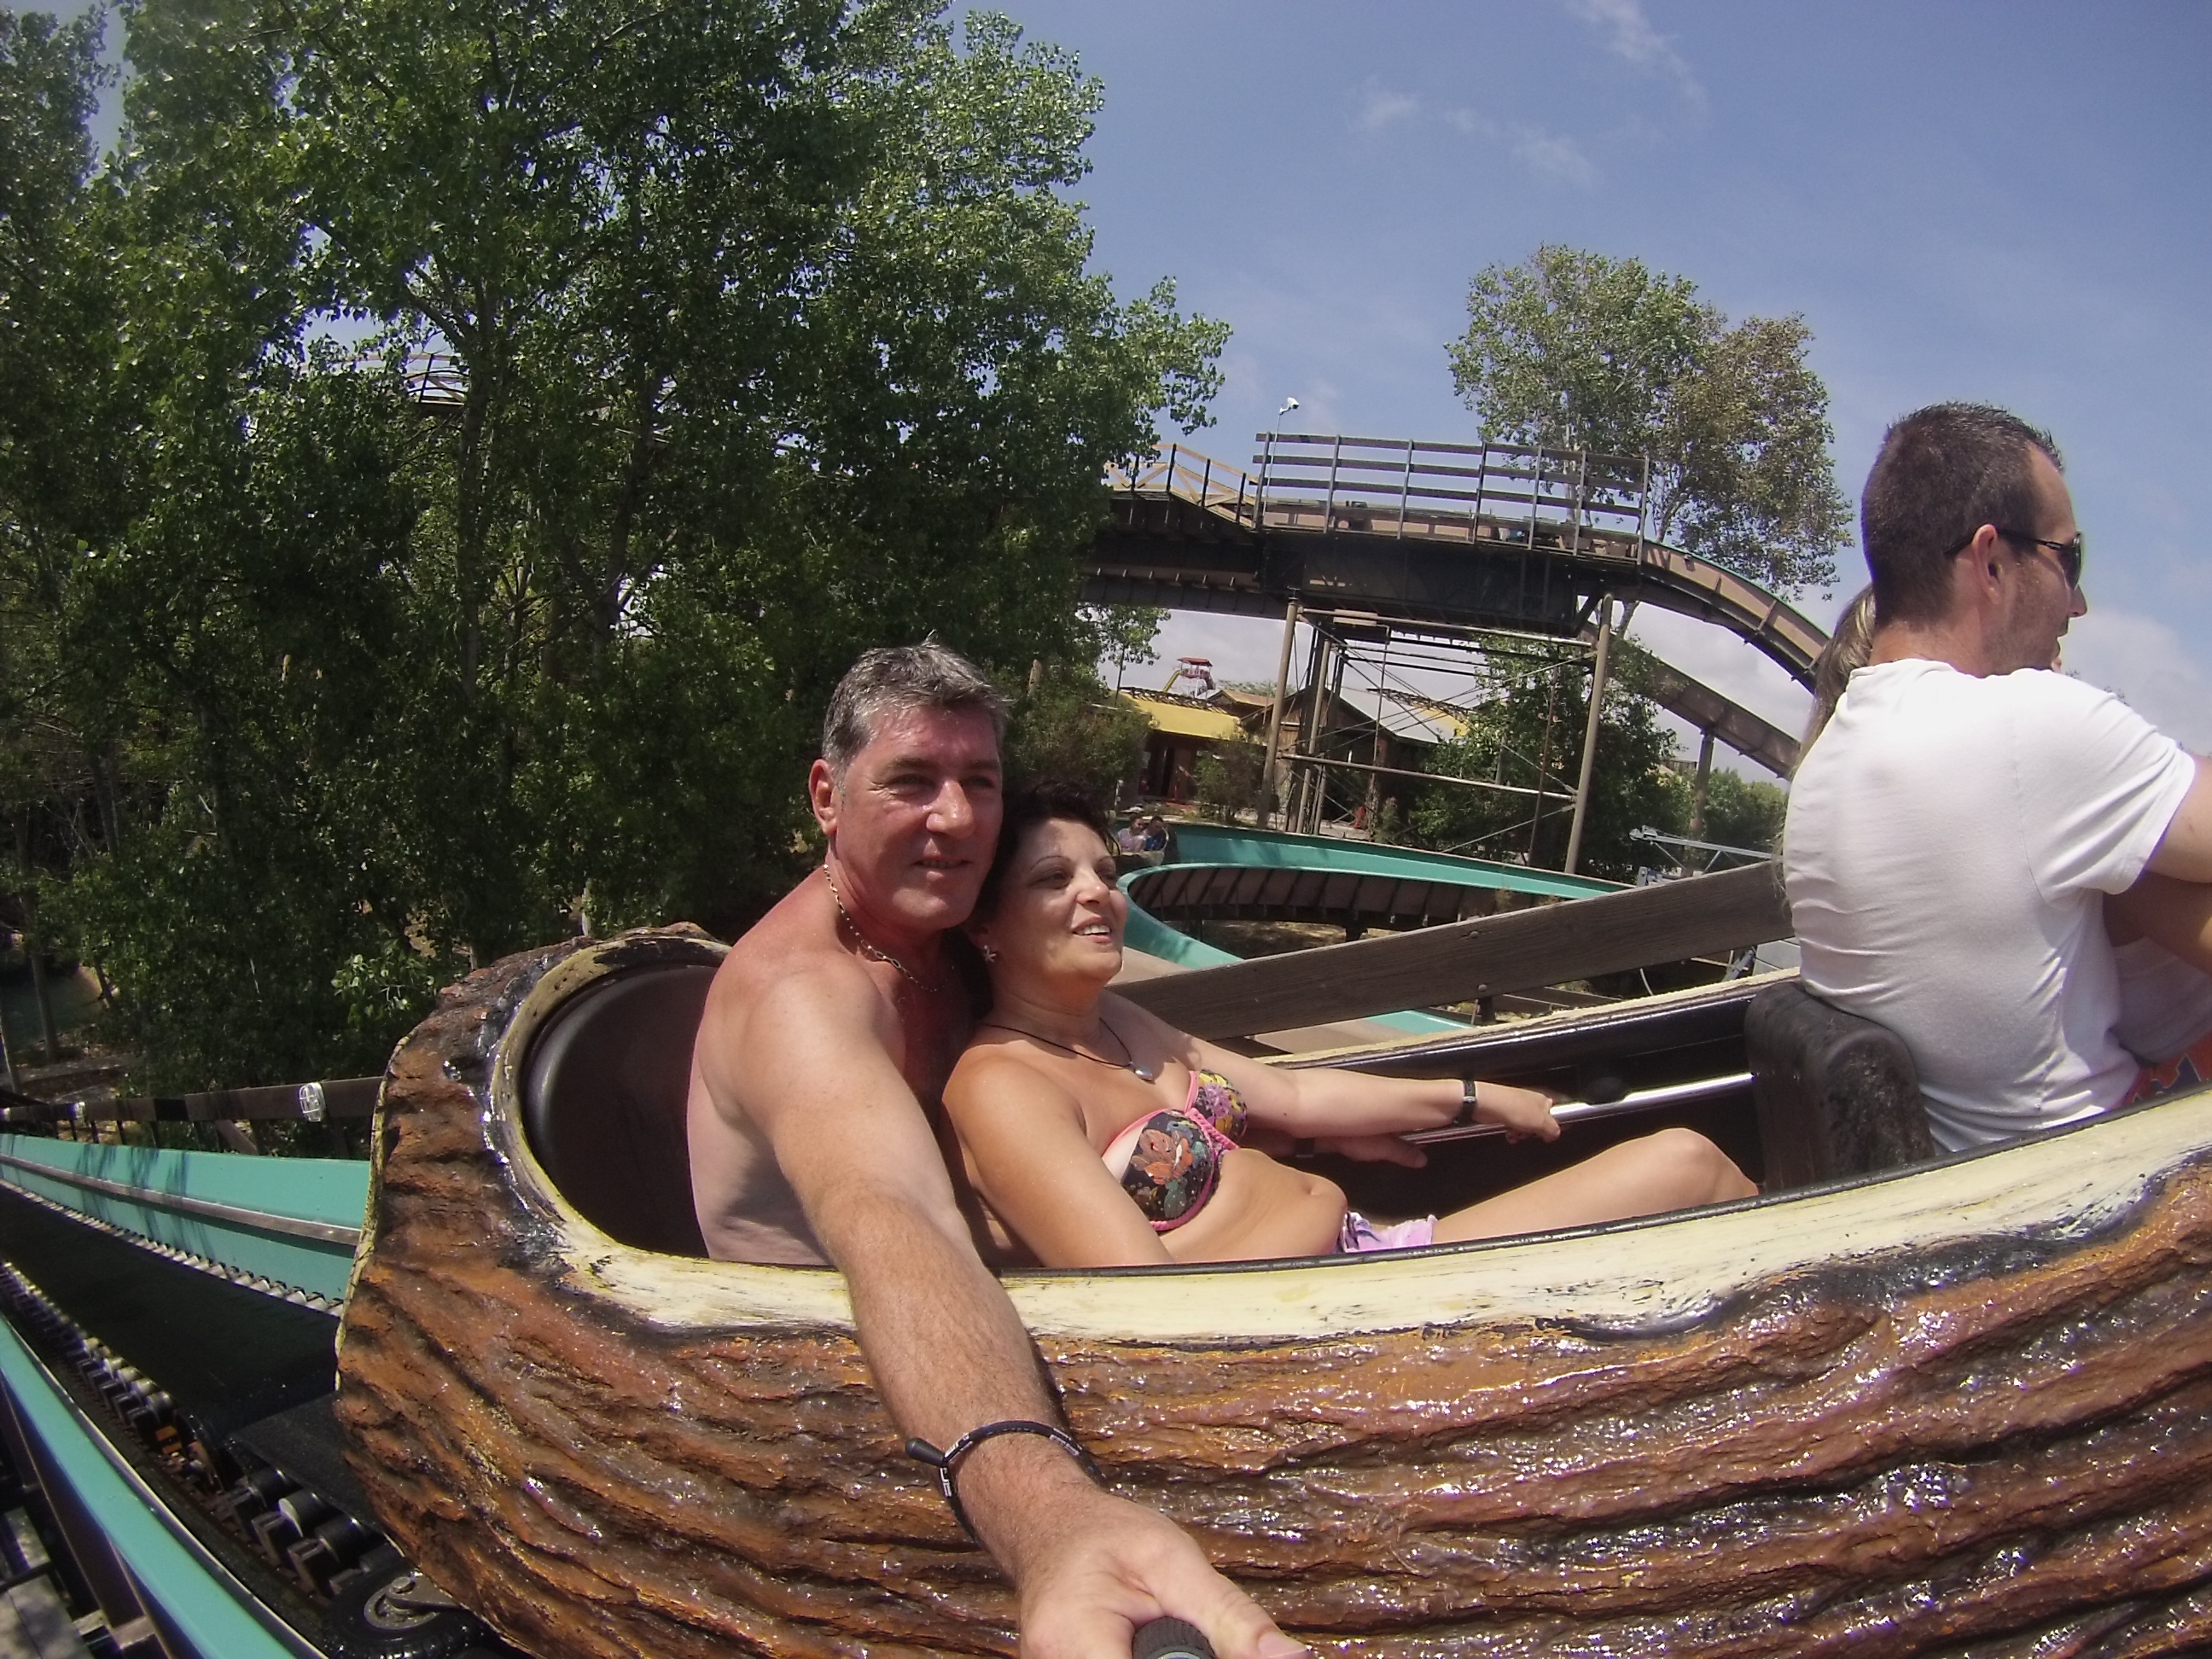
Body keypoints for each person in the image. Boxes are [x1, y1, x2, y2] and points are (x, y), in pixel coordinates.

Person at [687, 644, 1303, 1659]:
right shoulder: (805, 1000)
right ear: (827, 797)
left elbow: (1121, 1037)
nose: (958, 817)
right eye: (912, 781)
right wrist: (1048, 1517)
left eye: (979, 782)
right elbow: (900, 1220)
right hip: (843, 1397)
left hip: (992, 1337)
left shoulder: (937, 940)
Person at [940, 785, 1756, 1269]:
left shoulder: (1117, 1021)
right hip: (1329, 1320)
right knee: (1688, 1170)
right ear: (984, 924)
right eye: (1054, 878)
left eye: (1106, 872)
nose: (1098, 893)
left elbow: (1293, 1094)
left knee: (1691, 1162)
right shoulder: (1004, 1084)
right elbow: (1139, 1296)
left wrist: (1472, 1098)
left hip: (1371, 1250)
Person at [1784, 403, 2212, 1152]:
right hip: (2095, 1179)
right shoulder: (2027, 728)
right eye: (2068, 559)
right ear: (1990, 561)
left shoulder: (1829, 763)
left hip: (1982, 1170)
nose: (2078, 602)